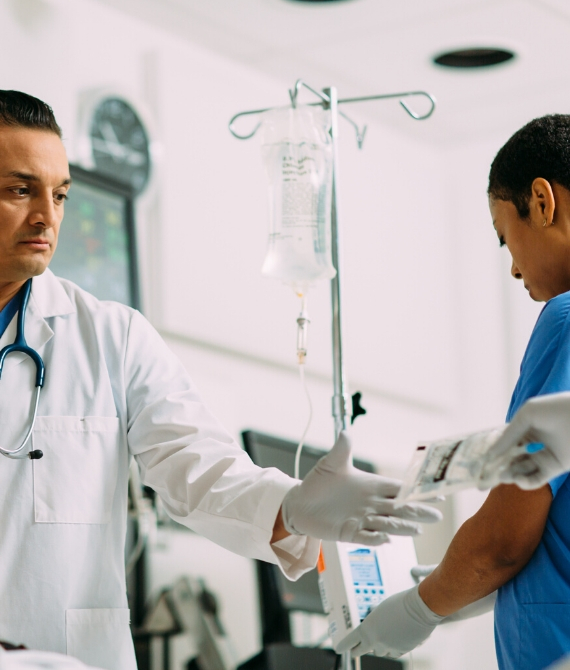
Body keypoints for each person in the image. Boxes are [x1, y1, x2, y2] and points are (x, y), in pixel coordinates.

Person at [0, 90, 441, 670]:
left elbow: (197, 463)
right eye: (19, 190)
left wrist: (295, 506)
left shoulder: (112, 337)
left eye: (59, 194)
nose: (47, 216)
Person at [338, 114, 570, 670]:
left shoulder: (565, 319)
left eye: (504, 237)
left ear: (541, 202)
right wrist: (457, 588)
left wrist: (418, 611)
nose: (514, 269)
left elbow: (505, 538)